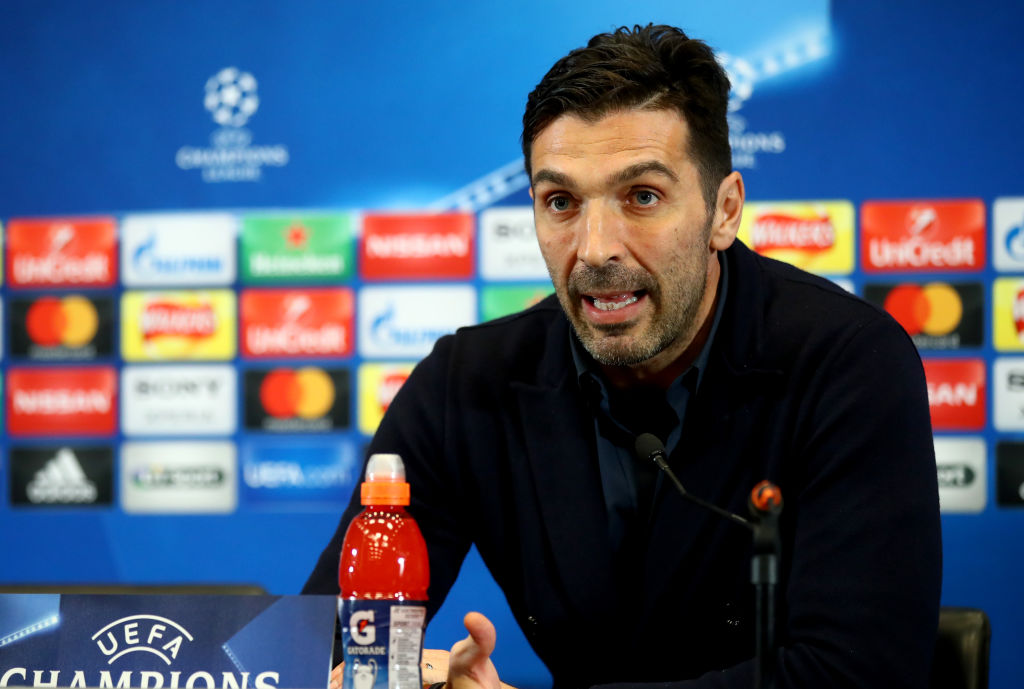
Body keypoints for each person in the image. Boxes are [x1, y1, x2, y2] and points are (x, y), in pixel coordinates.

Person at [305, 24, 942, 689]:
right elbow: (315, 650)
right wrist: (389, 675)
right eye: (561, 202)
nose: (596, 248)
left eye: (642, 197)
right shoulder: (466, 384)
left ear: (724, 211)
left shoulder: (847, 361)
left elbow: (858, 675)